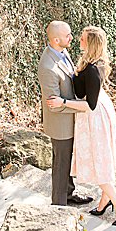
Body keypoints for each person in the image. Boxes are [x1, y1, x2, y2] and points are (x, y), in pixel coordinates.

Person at [46, 26, 116, 226]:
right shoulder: (89, 61)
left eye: (82, 38)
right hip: (92, 114)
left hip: (95, 117)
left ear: (90, 43)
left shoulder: (92, 70)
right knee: (99, 160)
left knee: (98, 163)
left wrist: (63, 103)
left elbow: (90, 105)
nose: (77, 40)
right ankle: (103, 202)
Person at [37, 20, 92, 208]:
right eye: (67, 35)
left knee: (68, 161)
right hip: (60, 124)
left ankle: (68, 194)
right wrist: (80, 105)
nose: (71, 37)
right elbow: (54, 105)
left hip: (70, 118)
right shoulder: (47, 67)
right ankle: (59, 206)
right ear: (55, 39)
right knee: (61, 165)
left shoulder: (62, 51)